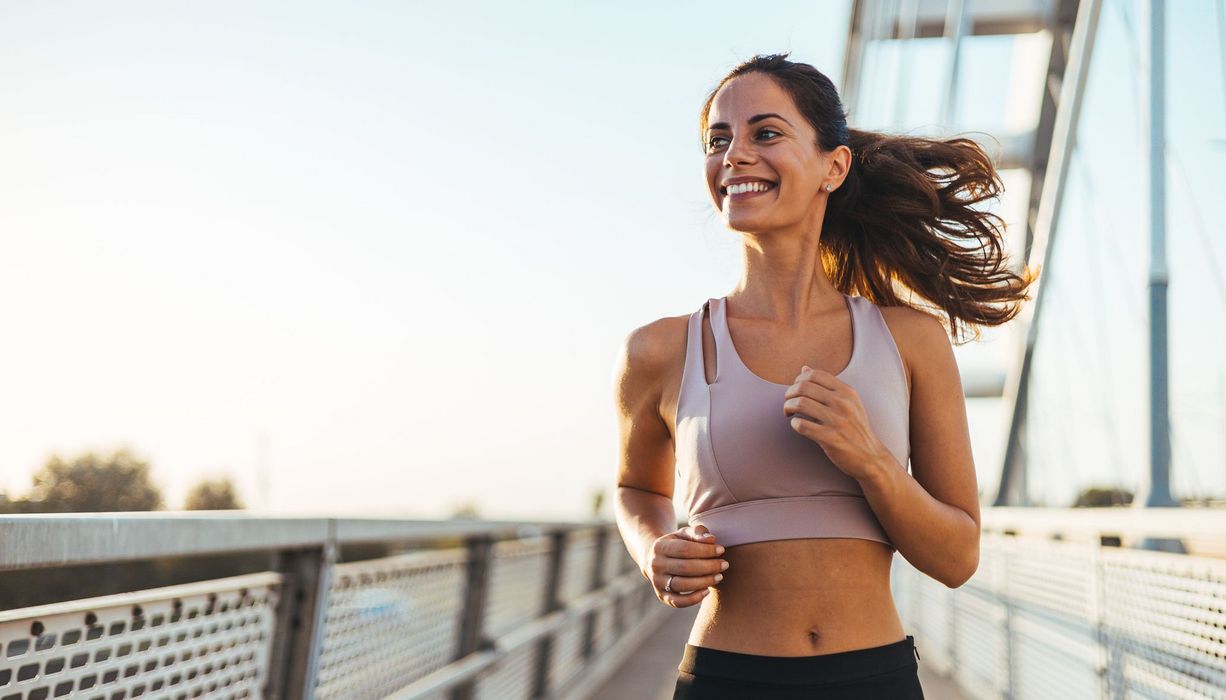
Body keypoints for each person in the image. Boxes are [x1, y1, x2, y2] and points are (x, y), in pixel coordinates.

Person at [612, 53, 1036, 699]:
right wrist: (653, 551)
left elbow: (957, 558)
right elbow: (634, 488)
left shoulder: (910, 341)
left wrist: (871, 460)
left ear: (833, 167)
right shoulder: (661, 349)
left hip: (875, 680)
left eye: (765, 133)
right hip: (726, 680)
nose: (735, 155)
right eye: (718, 141)